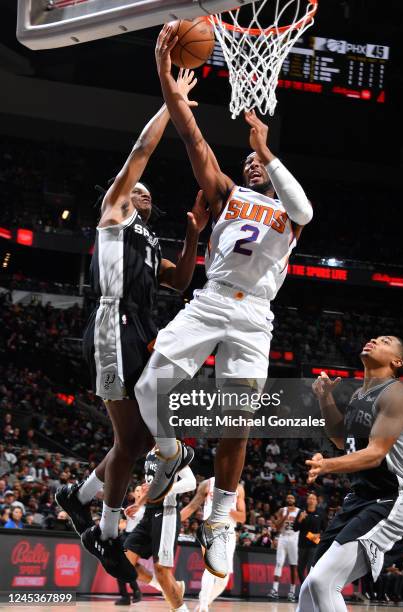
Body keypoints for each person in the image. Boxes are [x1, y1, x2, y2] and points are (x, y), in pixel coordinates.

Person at [134, 25, 313, 579]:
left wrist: (267, 149)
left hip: (255, 316)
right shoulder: (227, 193)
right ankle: (171, 454)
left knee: (235, 421)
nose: (253, 164)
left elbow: (305, 210)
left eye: (262, 163)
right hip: (211, 300)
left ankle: (219, 518)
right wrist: (169, 86)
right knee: (147, 386)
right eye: (250, 161)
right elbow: (192, 139)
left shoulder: (289, 213)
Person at [55, 70, 208, 581]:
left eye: (145, 192)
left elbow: (182, 281)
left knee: (139, 442)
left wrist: (192, 237)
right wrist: (172, 102)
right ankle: (107, 530)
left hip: (142, 326)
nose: (140, 191)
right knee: (130, 440)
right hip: (113, 320)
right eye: (133, 188)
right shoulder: (114, 214)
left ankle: (80, 499)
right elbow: (141, 151)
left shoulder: (151, 239)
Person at [297, 335, 403, 612]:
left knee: (324, 583)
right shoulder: (361, 395)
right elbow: (339, 438)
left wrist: (327, 466)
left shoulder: (396, 393)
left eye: (384, 341)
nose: (374, 340)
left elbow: (375, 453)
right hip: (360, 498)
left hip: (393, 500)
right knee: (311, 584)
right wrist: (325, 398)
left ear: (397, 362)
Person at [123, 447, 196, 612]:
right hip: (149, 513)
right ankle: (170, 587)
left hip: (166, 513)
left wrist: (163, 489)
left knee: (161, 570)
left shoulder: (172, 450)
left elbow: (191, 482)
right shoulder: (149, 454)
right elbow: (150, 487)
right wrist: (139, 503)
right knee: (125, 563)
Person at [180, 478, 246, 611]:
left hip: (229, 532)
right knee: (211, 569)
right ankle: (203, 605)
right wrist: (173, 520)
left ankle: (205, 600)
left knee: (224, 578)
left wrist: (226, 508)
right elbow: (192, 506)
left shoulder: (238, 488)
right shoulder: (208, 484)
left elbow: (242, 517)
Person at [116, 484, 146, 606]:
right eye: (136, 490)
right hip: (125, 537)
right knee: (119, 567)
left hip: (137, 539)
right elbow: (122, 524)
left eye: (140, 490)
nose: (138, 492)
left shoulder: (147, 510)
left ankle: (132, 593)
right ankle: (130, 594)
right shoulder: (129, 507)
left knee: (124, 568)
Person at [267, 493, 300, 602]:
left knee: (293, 566)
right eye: (288, 497)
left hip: (294, 539)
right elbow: (276, 526)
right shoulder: (282, 510)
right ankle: (275, 590)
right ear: (286, 499)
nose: (290, 499)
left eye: (292, 497)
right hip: (283, 537)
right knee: (279, 563)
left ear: (295, 500)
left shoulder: (299, 511)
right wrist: (285, 516)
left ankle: (292, 591)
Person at [293, 492, 325, 584]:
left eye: (313, 499)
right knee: (300, 569)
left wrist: (319, 535)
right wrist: (300, 519)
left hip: (314, 544)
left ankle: (308, 589)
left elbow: (326, 529)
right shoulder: (302, 512)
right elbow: (295, 528)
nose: (311, 500)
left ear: (316, 502)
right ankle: (304, 586)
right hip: (302, 544)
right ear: (307, 501)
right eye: (309, 498)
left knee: (310, 568)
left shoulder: (320, 513)